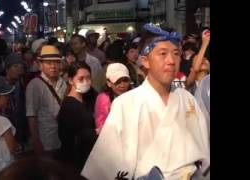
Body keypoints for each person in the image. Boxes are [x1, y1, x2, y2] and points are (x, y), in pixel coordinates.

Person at [81, 23, 210, 180]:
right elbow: (106, 166)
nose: (171, 60)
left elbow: (204, 152)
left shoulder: (188, 99)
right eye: (163, 54)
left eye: (176, 54)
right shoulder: (125, 104)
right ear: (145, 60)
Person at [26, 45, 68, 156]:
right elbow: (31, 115)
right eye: (48, 63)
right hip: (46, 142)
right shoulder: (34, 85)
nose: (53, 66)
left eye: (56, 62)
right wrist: (36, 142)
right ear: (40, 65)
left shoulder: (63, 83)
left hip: (63, 139)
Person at [57, 61, 97, 172]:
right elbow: (69, 137)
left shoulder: (91, 96)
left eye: (88, 78)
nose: (85, 82)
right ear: (70, 80)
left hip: (92, 158)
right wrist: (95, 132)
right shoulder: (69, 106)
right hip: (76, 161)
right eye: (81, 79)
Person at [94, 63, 131, 134]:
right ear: (109, 83)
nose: (122, 85)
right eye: (117, 81)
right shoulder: (103, 98)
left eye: (125, 80)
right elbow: (101, 126)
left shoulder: (134, 97)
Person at [2, 53, 29, 147]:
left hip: (19, 131)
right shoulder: (0, 87)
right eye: (15, 66)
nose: (19, 69)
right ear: (7, 69)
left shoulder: (20, 84)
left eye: (21, 66)